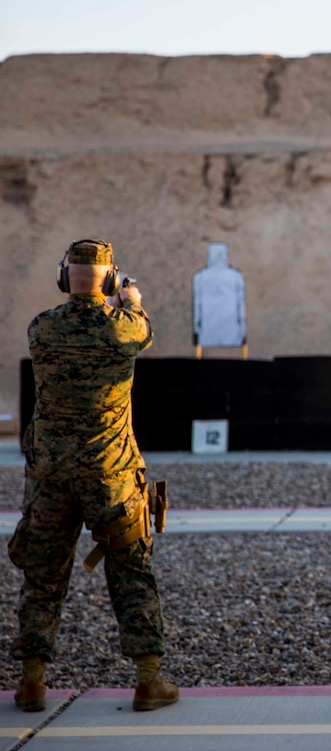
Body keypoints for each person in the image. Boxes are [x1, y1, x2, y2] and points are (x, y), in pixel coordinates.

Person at [10, 240, 178, 712]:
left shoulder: (42, 328)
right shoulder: (124, 328)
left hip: (50, 474)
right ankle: (148, 680)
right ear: (108, 279)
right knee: (130, 572)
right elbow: (141, 330)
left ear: (64, 278)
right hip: (111, 476)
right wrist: (132, 298)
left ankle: (32, 682)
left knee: (42, 577)